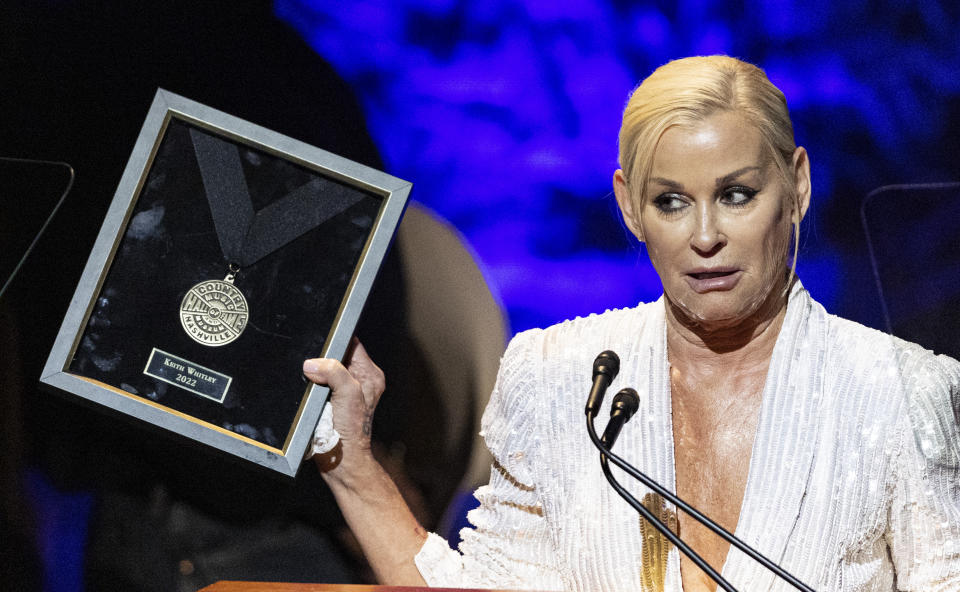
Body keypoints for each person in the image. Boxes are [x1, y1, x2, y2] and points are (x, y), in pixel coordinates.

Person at [302, 55, 960, 592]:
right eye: (671, 202)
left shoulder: (900, 394)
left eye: (736, 195)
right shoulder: (558, 379)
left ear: (797, 186)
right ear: (629, 206)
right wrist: (348, 459)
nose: (705, 236)